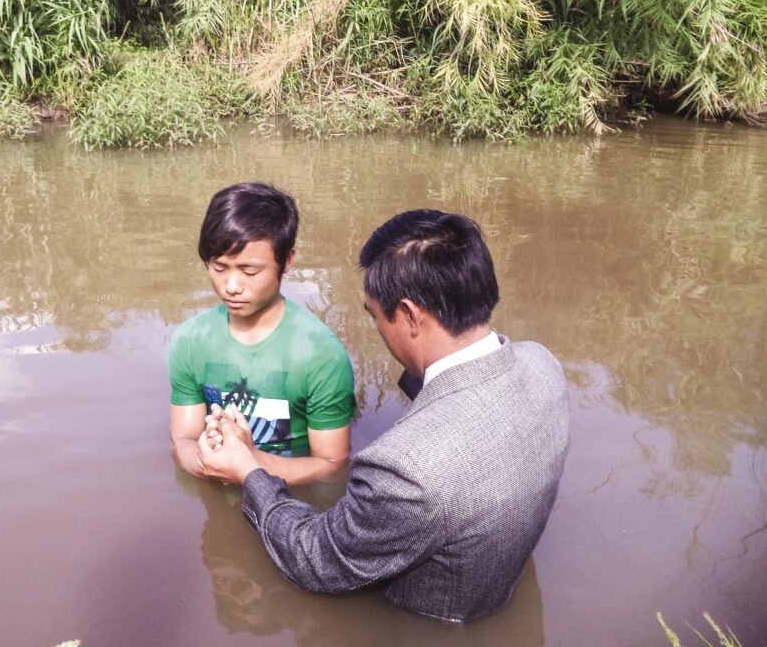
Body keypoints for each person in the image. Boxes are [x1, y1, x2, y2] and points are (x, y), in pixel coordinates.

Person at [197, 209, 570, 622]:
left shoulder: (407, 472)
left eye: (375, 315)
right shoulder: (542, 364)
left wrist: (249, 470)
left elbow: (315, 560)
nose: (376, 327)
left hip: (427, 625)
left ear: (409, 315)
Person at [169, 182, 356, 485]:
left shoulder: (321, 356)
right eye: (219, 267)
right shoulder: (190, 341)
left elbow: (332, 465)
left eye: (249, 271)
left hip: (289, 501)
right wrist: (204, 461)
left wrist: (249, 465)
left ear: (287, 261)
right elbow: (183, 439)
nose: (231, 286)